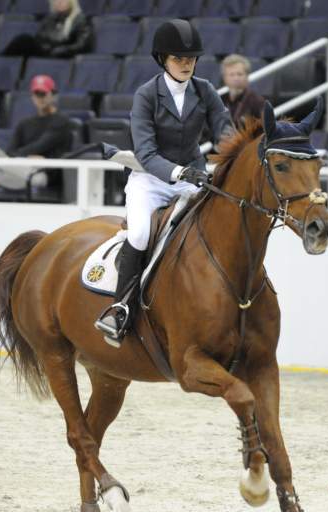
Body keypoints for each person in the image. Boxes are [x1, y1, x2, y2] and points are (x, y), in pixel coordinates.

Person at [94, 19, 233, 347]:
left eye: (190, 59)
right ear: (162, 60)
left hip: (193, 177)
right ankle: (120, 308)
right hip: (150, 179)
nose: (186, 64)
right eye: (178, 59)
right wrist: (180, 173)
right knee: (141, 233)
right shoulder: (146, 95)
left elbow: (225, 131)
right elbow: (146, 151)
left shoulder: (206, 91)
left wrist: (230, 159)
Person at [0, 74, 72, 200]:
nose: (40, 98)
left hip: (41, 174)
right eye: (36, 94)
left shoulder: (61, 121)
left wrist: (24, 156)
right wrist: (25, 157)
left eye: (43, 94)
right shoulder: (25, 123)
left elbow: (40, 145)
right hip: (15, 170)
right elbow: (11, 151)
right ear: (32, 96)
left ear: (53, 95)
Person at [1, 0, 93, 58]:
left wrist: (64, 50)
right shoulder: (50, 18)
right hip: (44, 51)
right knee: (22, 41)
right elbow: (39, 37)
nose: (59, 2)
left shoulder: (80, 20)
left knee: (24, 40)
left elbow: (82, 45)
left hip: (61, 54)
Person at [221, 54, 265, 127]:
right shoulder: (219, 100)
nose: (236, 78)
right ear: (224, 78)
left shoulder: (257, 101)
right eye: (231, 74)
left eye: (240, 74)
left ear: (247, 76)